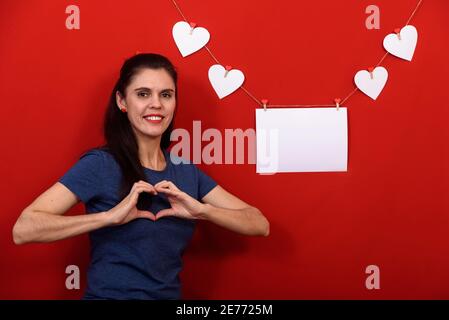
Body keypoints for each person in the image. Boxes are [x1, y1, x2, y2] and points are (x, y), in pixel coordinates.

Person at [12, 53, 270, 300]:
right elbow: (24, 229)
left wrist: (201, 211)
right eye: (143, 94)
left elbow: (259, 224)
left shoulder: (185, 170)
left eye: (166, 95)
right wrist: (107, 217)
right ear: (122, 102)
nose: (156, 104)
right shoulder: (101, 164)